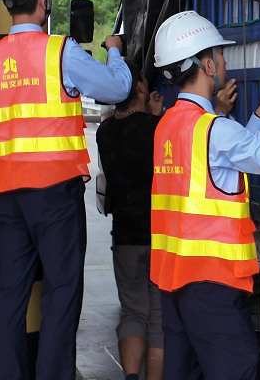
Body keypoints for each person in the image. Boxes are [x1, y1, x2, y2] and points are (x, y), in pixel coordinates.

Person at [0, 0, 132, 380]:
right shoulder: (60, 53)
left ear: (6, 2)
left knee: (10, 295)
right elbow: (118, 89)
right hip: (54, 195)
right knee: (61, 291)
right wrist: (114, 52)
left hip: (6, 198)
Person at [149, 10, 260, 380]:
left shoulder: (169, 124)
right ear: (208, 65)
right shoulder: (215, 130)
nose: (225, 62)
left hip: (174, 282)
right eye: (221, 55)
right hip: (212, 285)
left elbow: (216, 168)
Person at [96, 63, 166, 380]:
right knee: (159, 317)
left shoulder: (104, 132)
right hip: (159, 237)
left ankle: (131, 377)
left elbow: (126, 133)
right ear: (140, 89)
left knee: (132, 312)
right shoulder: (156, 128)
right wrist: (154, 116)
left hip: (124, 237)